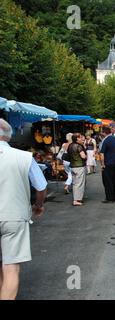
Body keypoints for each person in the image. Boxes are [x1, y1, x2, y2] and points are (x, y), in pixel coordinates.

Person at [0, 119, 47, 300]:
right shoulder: (24, 157)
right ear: (9, 135)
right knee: (11, 267)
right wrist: (38, 205)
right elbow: (41, 186)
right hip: (14, 216)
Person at [100, 126, 115, 203]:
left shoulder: (106, 140)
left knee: (107, 181)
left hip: (108, 163)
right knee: (114, 179)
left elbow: (102, 154)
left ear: (104, 132)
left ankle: (109, 197)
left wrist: (102, 164)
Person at [68, 133, 87, 206]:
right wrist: (86, 157)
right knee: (80, 183)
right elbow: (83, 156)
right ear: (77, 139)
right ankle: (77, 200)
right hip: (79, 166)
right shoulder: (79, 146)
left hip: (72, 166)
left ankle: (77, 198)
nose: (82, 139)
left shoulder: (70, 145)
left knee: (75, 183)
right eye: (80, 137)